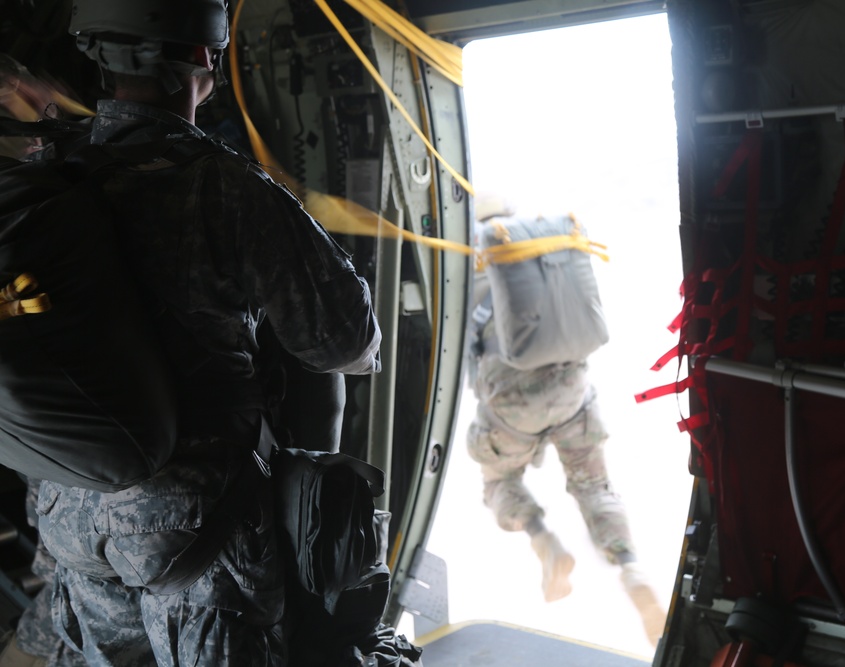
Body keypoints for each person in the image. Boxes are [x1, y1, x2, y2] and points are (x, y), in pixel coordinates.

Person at [7, 1, 381, 665]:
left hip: (71, 515)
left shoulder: (54, 176)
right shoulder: (225, 187)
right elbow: (342, 341)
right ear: (203, 59)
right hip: (197, 532)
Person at [465, 193, 668, 647]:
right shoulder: (538, 249)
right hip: (570, 387)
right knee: (593, 486)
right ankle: (630, 565)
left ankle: (544, 541)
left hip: (511, 399)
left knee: (500, 481)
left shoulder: (469, 256)